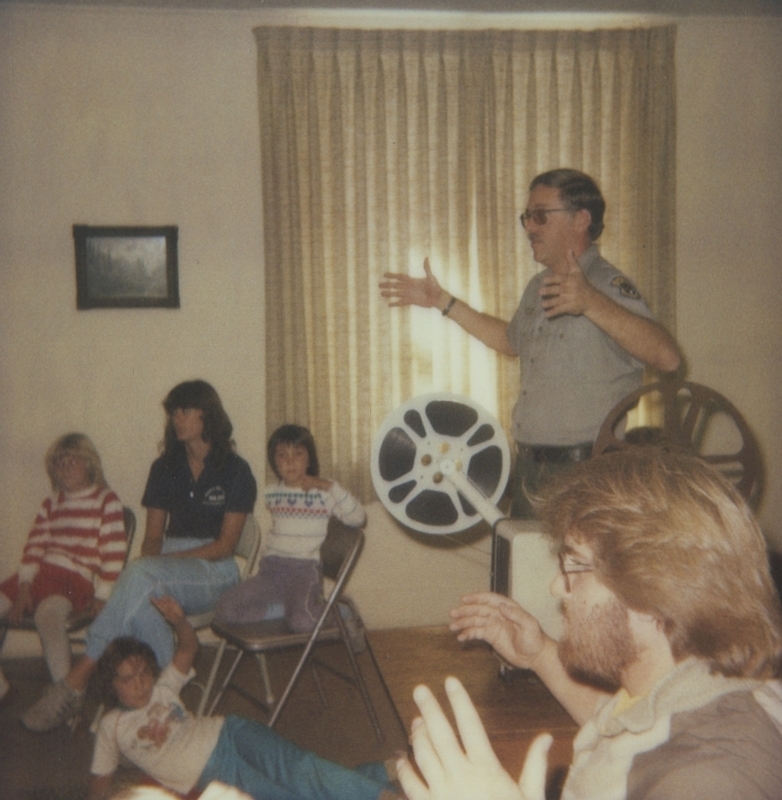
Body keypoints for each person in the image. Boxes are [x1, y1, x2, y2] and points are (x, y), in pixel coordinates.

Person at [397, 448, 782, 800]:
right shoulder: (690, 686)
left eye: (575, 565)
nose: (556, 587)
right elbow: (630, 729)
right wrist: (541, 654)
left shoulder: (711, 778)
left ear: (653, 593)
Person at [379, 169, 682, 517]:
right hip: (531, 470)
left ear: (581, 219)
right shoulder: (538, 286)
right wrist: (443, 302)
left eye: (540, 216)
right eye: (527, 217)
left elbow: (667, 357)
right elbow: (510, 342)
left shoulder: (606, 283)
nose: (529, 228)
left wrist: (590, 301)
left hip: (586, 474)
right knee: (521, 570)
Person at [21, 380, 258, 732]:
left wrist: (164, 565)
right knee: (141, 592)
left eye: (186, 411)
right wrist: (158, 565)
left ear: (208, 416)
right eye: (173, 412)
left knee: (141, 576)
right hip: (165, 567)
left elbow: (225, 545)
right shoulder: (164, 468)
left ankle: (78, 677)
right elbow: (151, 540)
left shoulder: (236, 470)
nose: (177, 419)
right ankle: (164, 701)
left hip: (215, 571)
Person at [88, 596, 401, 800]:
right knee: (289, 794)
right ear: (111, 684)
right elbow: (100, 782)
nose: (140, 682)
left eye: (143, 671)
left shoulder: (163, 688)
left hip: (231, 732)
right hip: (213, 772)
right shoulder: (111, 725)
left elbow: (188, 649)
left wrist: (180, 621)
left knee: (299, 767)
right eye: (127, 679)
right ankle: (383, 772)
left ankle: (384, 797)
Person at [0, 433, 127, 703]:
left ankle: (66, 696)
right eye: (59, 462)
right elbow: (33, 549)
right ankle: (2, 688)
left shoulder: (105, 500)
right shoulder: (51, 504)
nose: (66, 467)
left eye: (73, 461)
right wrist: (23, 587)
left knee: (47, 616)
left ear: (90, 464)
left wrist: (103, 595)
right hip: (37, 575)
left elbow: (114, 554)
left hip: (74, 580)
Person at [215, 424, 365, 634]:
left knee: (302, 622)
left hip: (304, 572)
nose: (290, 461)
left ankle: (342, 612)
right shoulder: (272, 494)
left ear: (309, 459)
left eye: (298, 454)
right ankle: (283, 610)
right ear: (274, 462)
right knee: (225, 609)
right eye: (282, 455)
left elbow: (358, 518)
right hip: (271, 571)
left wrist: (329, 486)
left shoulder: (323, 492)